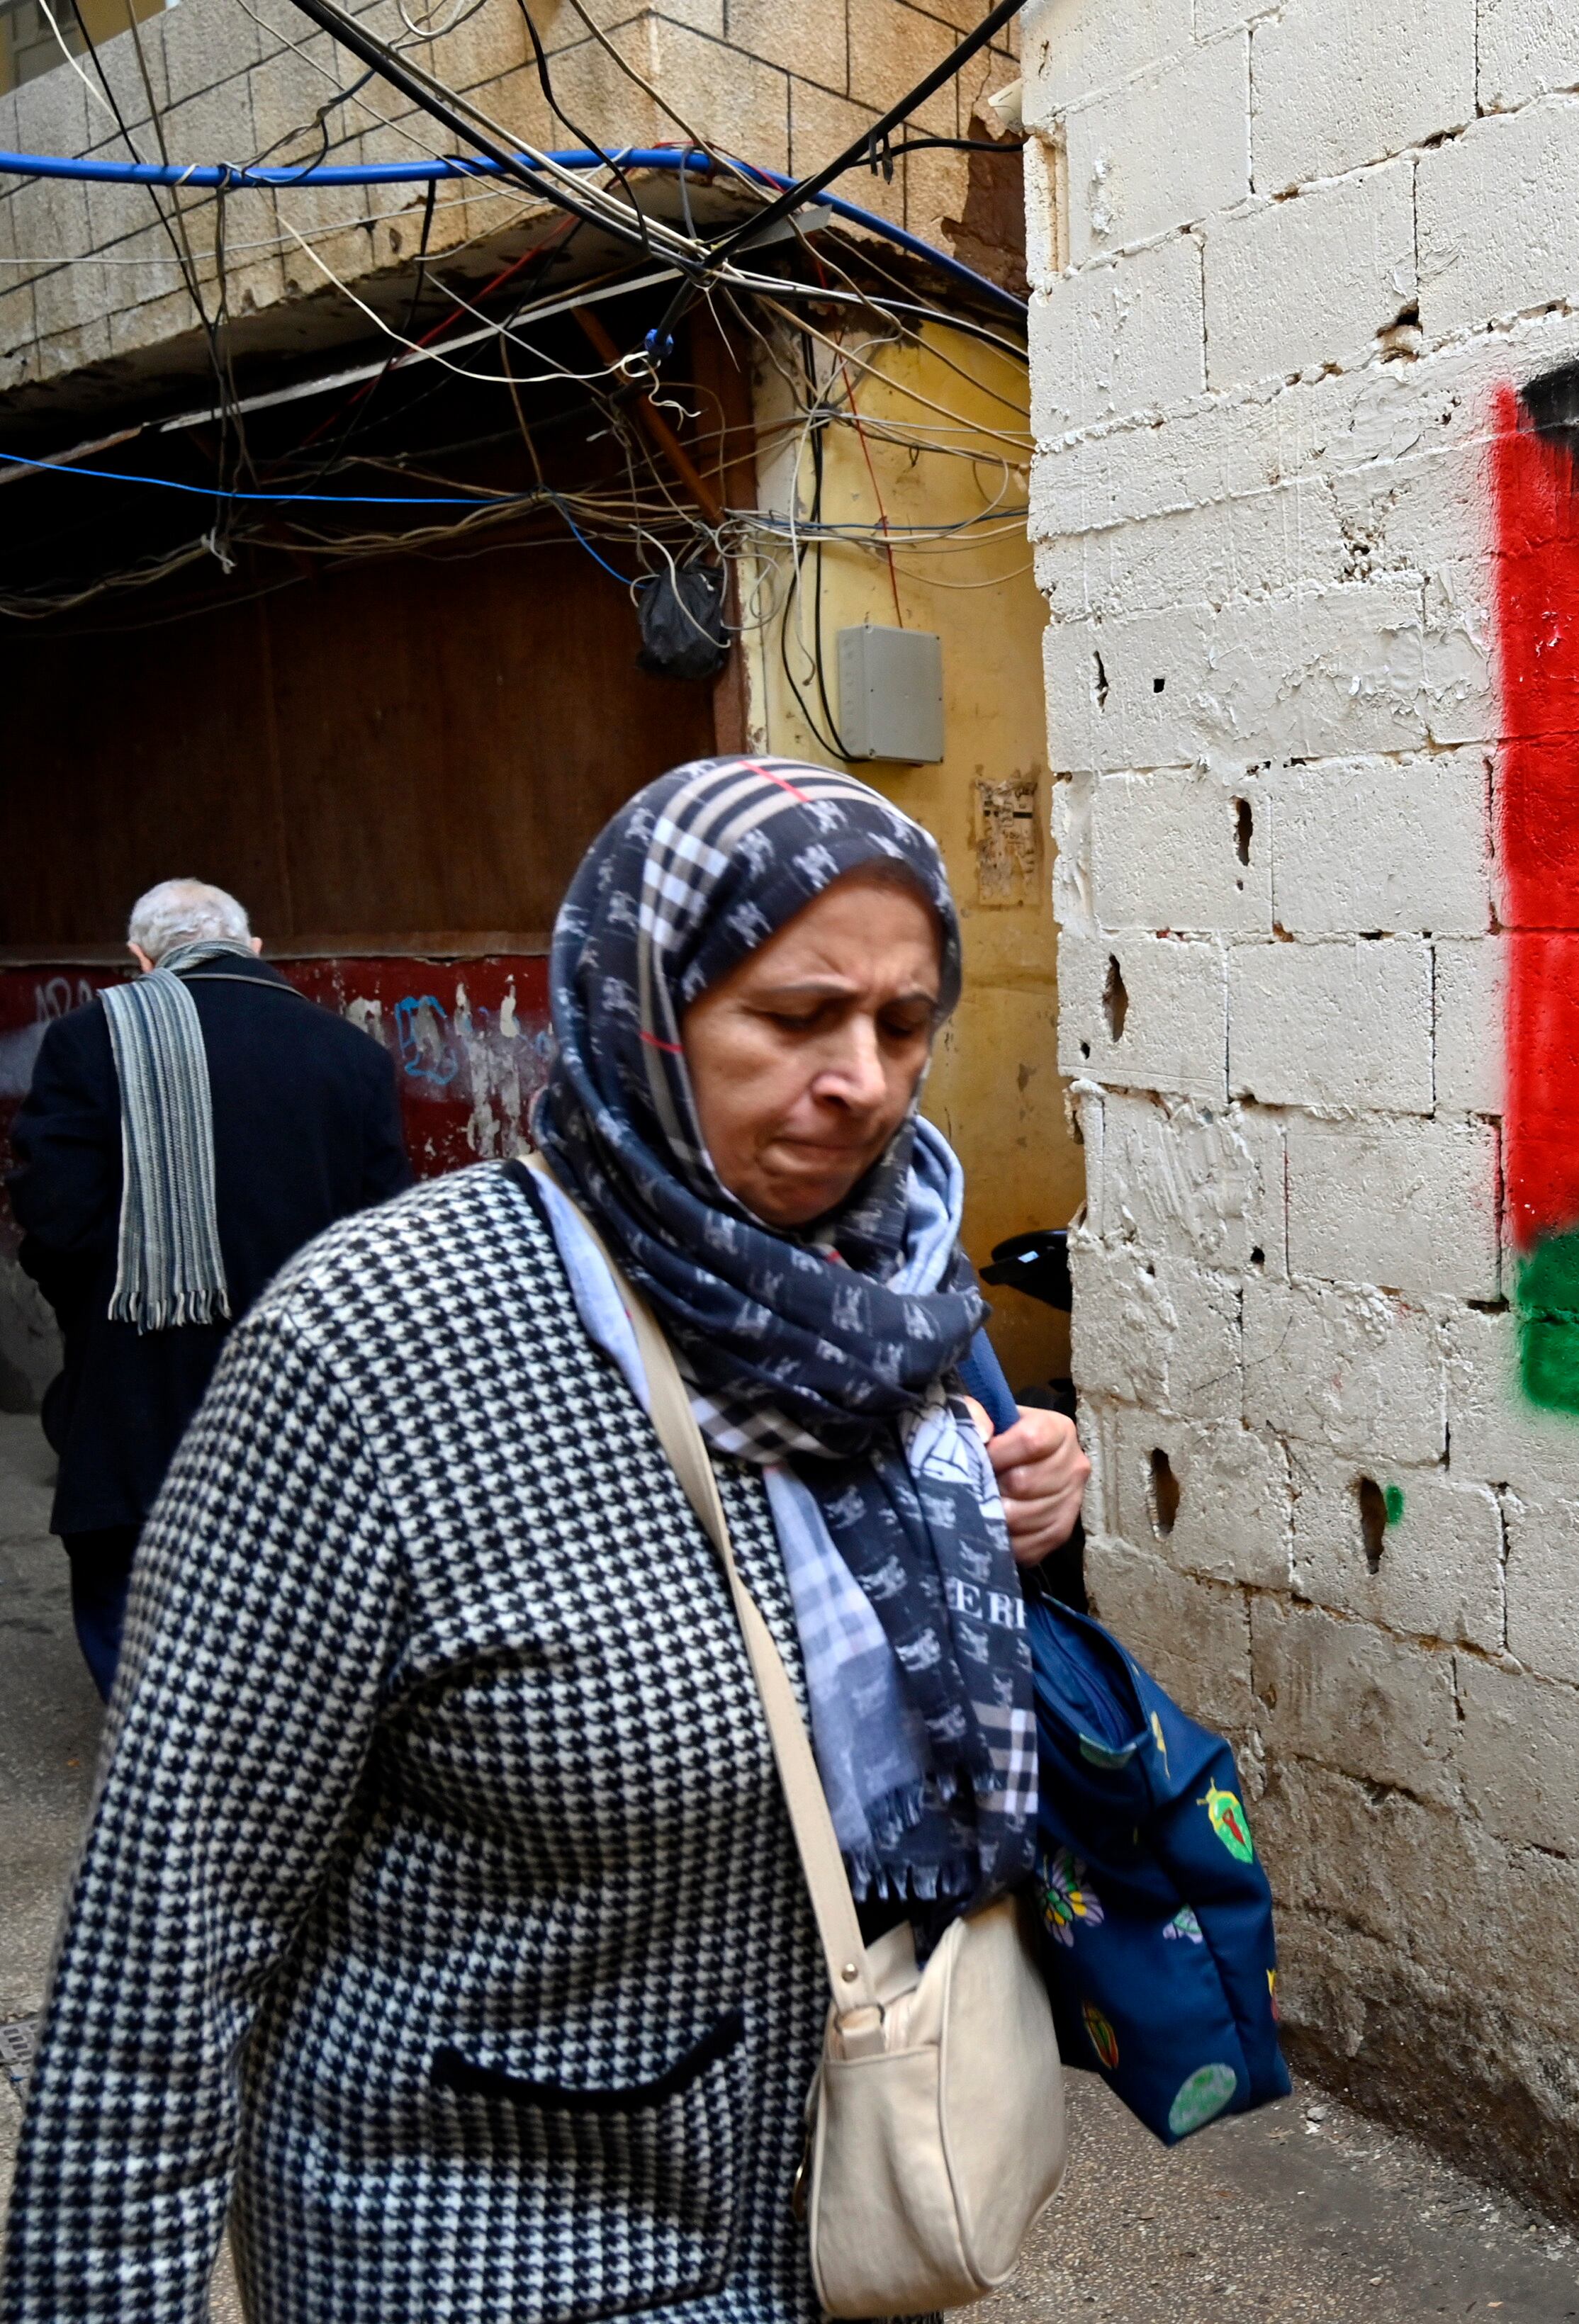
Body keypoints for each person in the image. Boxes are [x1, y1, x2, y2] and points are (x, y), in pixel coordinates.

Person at [0, 761, 1091, 2321]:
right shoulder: (377, 1348)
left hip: (831, 2216)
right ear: (640, 1011)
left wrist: (1013, 1521)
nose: (863, 1080)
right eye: (794, 1017)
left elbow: (898, 1637)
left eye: (904, 1023)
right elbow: (163, 1952)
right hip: (485, 2244)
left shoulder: (893, 1290)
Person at [3, 879, 409, 1693]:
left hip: (136, 1370)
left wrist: (103, 1310)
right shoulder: (351, 1054)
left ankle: (162, 1728)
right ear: (254, 948)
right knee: (293, 1562)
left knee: (129, 1570)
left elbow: (53, 1216)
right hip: (299, 1374)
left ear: (141, 958)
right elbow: (384, 1229)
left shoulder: (89, 1039)